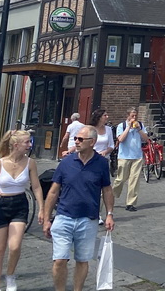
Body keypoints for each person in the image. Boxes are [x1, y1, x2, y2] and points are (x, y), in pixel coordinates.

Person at [42, 124, 115, 291]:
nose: (76, 141)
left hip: (88, 219)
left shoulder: (101, 164)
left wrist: (109, 214)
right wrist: (46, 219)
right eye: (75, 138)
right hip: (64, 216)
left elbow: (107, 189)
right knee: (59, 260)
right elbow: (53, 192)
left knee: (82, 260)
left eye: (80, 139)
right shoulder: (66, 162)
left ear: (92, 142)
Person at [0, 130, 45, 291]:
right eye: (27, 142)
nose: (30, 145)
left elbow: (36, 186)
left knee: (15, 246)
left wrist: (41, 208)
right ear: (16, 145)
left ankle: (10, 275)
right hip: (0, 204)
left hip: (19, 203)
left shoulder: (30, 163)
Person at [113, 107, 149, 212]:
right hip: (124, 156)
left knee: (134, 180)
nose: (134, 117)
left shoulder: (140, 125)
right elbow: (120, 139)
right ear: (128, 116)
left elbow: (146, 138)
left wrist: (138, 129)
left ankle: (130, 203)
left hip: (137, 156)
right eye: (132, 115)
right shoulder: (121, 126)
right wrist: (128, 127)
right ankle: (111, 195)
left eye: (135, 116)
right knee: (121, 179)